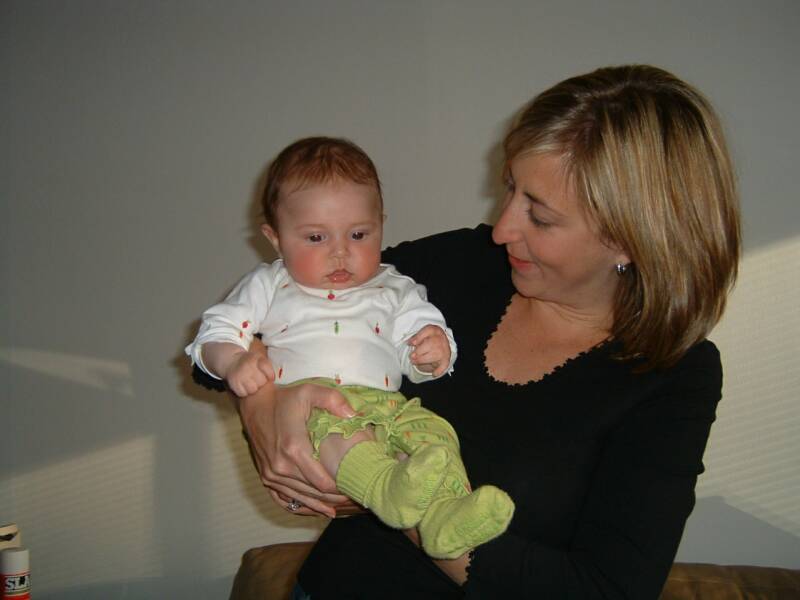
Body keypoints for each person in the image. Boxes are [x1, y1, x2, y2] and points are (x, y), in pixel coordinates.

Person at [219, 65, 741, 598]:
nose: (502, 228)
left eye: (540, 216)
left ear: (631, 237)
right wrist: (264, 410)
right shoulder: (465, 263)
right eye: (510, 188)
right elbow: (281, 301)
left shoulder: (673, 374)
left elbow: (606, 590)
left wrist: (405, 506)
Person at [187, 137, 514, 560]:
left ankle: (444, 516)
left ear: (381, 224)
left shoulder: (396, 287)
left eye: (359, 234)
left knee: (434, 435)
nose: (340, 252)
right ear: (276, 238)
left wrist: (433, 351)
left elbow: (416, 345)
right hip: (313, 407)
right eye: (316, 237)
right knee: (340, 433)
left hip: (387, 405)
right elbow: (215, 331)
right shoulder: (270, 284)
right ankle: (384, 488)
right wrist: (234, 361)